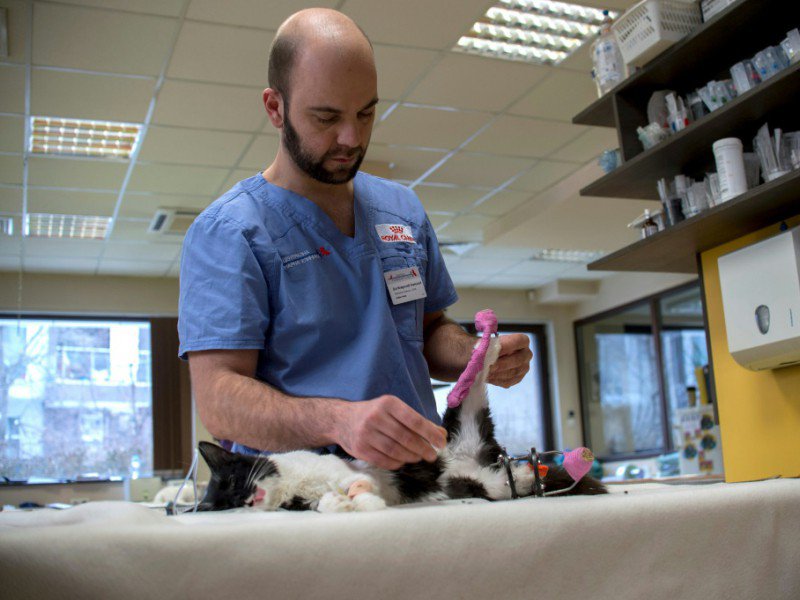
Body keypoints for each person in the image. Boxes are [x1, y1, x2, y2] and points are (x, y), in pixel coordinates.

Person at [178, 8, 532, 470]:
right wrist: (338, 421)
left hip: (420, 480)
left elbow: (424, 333)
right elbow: (220, 400)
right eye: (326, 117)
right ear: (275, 108)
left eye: (365, 113)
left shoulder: (400, 210)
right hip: (303, 496)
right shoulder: (230, 232)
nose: (351, 137)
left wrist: (474, 355)